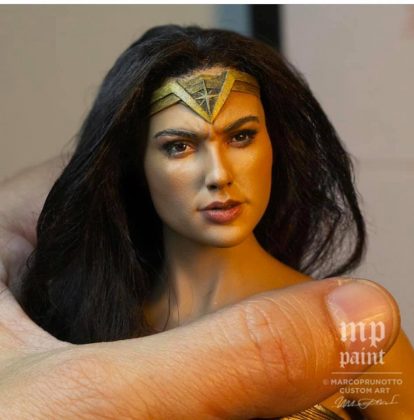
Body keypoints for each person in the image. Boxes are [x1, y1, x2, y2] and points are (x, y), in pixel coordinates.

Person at [2, 25, 413, 418]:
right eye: (179, 146)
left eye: (241, 137)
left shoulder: (352, 330)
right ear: (135, 165)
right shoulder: (85, 336)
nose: (218, 174)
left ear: (275, 143)